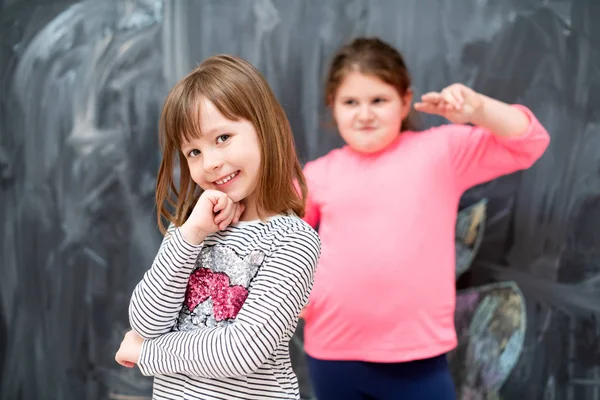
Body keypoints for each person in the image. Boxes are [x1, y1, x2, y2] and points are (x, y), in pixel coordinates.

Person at [300, 37, 550, 400]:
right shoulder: (317, 174)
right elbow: (273, 234)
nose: (364, 114)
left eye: (378, 100)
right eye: (351, 102)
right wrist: (293, 298)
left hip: (417, 355)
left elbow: (529, 142)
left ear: (404, 101)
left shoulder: (440, 152)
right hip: (333, 352)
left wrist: (477, 109)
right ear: (332, 106)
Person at [114, 54, 321, 400]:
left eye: (222, 138)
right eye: (193, 152)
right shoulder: (194, 229)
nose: (209, 162)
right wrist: (190, 235)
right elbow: (146, 322)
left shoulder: (293, 240)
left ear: (266, 128)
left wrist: (148, 353)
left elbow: (243, 349)